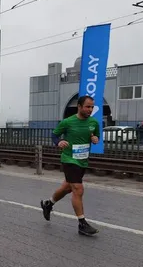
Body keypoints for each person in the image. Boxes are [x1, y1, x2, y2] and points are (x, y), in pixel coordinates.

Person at [41, 95, 100, 236]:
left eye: (92, 107)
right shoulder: (68, 122)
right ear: (79, 107)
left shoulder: (93, 122)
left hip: (83, 160)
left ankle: (48, 204)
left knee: (67, 187)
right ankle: (82, 224)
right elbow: (54, 135)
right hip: (69, 159)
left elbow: (96, 137)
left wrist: (95, 139)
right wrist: (58, 142)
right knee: (78, 189)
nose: (90, 109)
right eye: (87, 106)